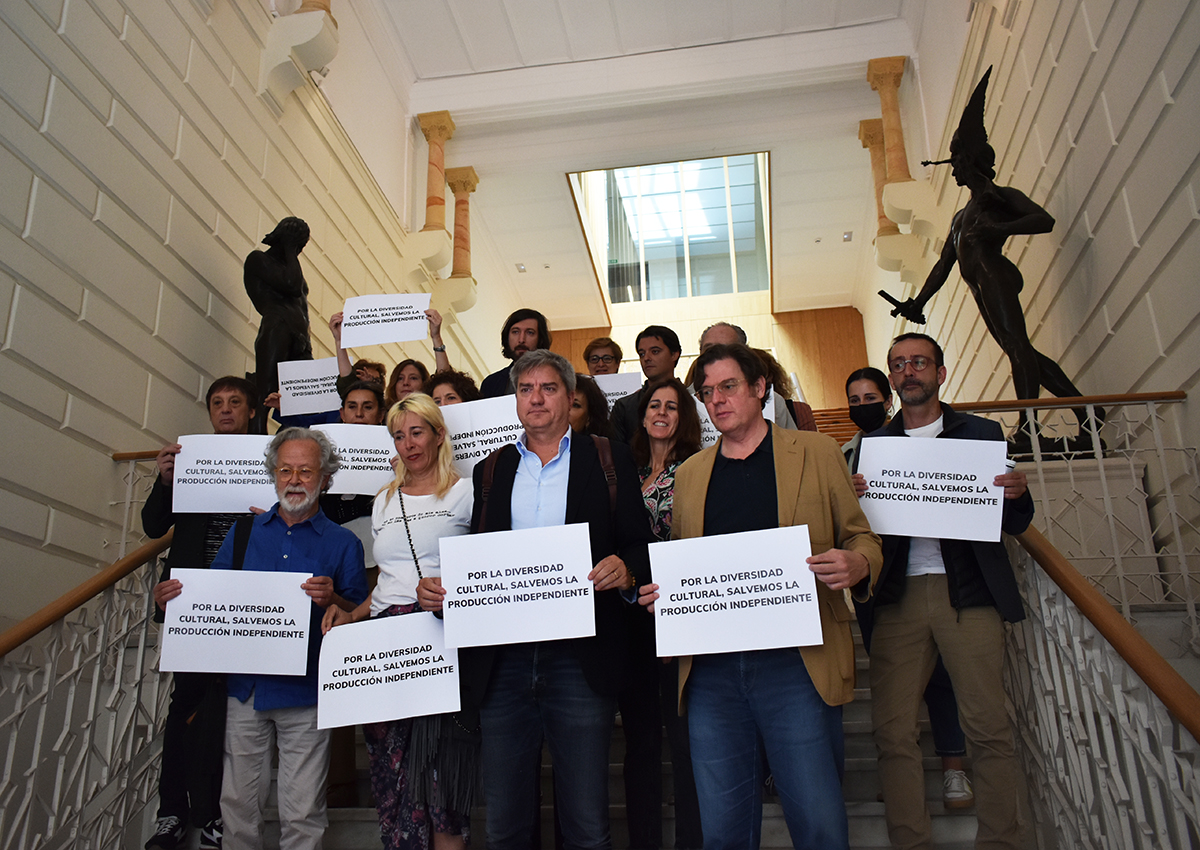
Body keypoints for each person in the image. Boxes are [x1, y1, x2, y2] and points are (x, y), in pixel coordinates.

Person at [637, 343, 882, 850]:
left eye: (728, 387)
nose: (717, 400)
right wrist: (667, 595)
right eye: (707, 392)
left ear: (759, 388)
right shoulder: (691, 474)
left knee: (817, 823)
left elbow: (862, 537)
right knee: (722, 832)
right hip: (710, 673)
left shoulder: (816, 452)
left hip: (798, 664)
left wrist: (858, 563)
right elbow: (688, 564)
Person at [445, 349, 654, 849]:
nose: (535, 399)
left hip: (579, 659)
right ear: (514, 399)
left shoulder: (607, 456)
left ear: (569, 397)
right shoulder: (490, 470)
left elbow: (639, 543)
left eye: (548, 388)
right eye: (525, 389)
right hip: (504, 662)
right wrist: (450, 589)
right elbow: (480, 557)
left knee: (586, 824)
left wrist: (626, 569)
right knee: (504, 826)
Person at [154, 428, 368, 850]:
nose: (294, 480)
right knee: (237, 808)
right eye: (285, 469)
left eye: (306, 471)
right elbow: (210, 602)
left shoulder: (345, 543)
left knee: (303, 813)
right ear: (272, 474)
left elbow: (358, 617)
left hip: (307, 692)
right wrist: (174, 602)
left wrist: (335, 599)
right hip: (243, 691)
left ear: (325, 478)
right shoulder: (244, 533)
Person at [860, 333, 1033, 850]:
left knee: (988, 726)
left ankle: (1000, 841)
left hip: (969, 594)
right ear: (891, 378)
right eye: (898, 365)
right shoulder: (875, 447)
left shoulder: (980, 434)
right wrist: (855, 501)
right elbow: (859, 531)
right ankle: (910, 841)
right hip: (898, 597)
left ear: (940, 371)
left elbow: (1014, 521)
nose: (908, 371)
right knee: (892, 732)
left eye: (918, 362)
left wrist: (1017, 494)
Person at [884, 68, 1094, 440]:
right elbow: (943, 265)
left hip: (994, 273)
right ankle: (1087, 412)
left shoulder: (997, 199)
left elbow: (1042, 220)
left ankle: (1030, 426)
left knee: (1018, 349)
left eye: (958, 159)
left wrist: (999, 229)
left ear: (972, 159)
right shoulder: (961, 217)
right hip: (978, 283)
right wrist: (917, 300)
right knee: (1022, 351)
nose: (953, 168)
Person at [323, 394, 477, 850]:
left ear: (437, 435)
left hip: (441, 636)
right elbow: (389, 580)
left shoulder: (466, 492)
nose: (408, 444)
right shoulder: (384, 500)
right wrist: (350, 614)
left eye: (416, 432)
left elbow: (480, 568)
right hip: (387, 642)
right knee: (391, 772)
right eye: (398, 435)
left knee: (443, 771)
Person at [842, 366, 974, 809]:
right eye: (854, 401)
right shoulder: (845, 454)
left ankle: (954, 770)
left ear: (889, 398)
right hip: (875, 581)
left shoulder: (925, 444)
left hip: (929, 575)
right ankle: (900, 781)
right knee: (893, 685)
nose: (863, 407)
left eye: (870, 398)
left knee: (940, 677)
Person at [143, 377, 259, 850]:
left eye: (235, 402)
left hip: (246, 603)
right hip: (190, 602)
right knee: (184, 707)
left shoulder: (267, 461)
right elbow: (154, 525)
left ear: (251, 412)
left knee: (228, 715)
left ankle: (213, 814)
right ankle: (172, 812)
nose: (226, 410)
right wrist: (166, 478)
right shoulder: (189, 461)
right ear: (210, 413)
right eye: (218, 403)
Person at [626, 377, 703, 850]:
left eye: (672, 407)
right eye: (654, 405)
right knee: (640, 744)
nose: (661, 413)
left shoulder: (696, 470)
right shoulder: (624, 470)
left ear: (684, 417)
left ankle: (692, 842)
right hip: (630, 616)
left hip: (679, 614)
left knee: (684, 742)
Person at [244, 217, 312, 433]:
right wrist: (289, 249)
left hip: (300, 337)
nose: (297, 250)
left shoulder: (293, 269)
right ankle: (256, 436)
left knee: (305, 397)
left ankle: (293, 438)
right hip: (278, 325)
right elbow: (291, 286)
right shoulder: (259, 259)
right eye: (295, 243)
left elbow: (303, 307)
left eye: (300, 246)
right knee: (267, 387)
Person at [691, 322, 814, 432]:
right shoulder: (682, 401)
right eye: (709, 349)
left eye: (727, 348)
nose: (717, 356)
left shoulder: (774, 402)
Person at [332, 309, 451, 398]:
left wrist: (436, 337)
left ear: (425, 384)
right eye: (400, 379)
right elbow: (347, 383)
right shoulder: (382, 413)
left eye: (413, 378)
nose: (405, 383)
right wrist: (339, 341)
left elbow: (444, 379)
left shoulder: (432, 411)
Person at [610, 325, 682, 444]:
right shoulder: (624, 407)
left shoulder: (694, 401)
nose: (646, 358)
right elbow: (617, 454)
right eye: (642, 354)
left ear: (674, 354)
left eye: (655, 352)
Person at [479, 308, 552, 398]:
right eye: (515, 332)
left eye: (530, 332)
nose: (521, 340)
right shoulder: (491, 383)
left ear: (540, 340)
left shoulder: (555, 378)